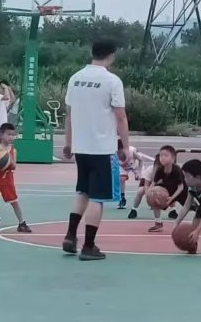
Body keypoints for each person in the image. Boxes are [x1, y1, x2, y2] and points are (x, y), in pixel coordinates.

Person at [62, 40, 130, 261]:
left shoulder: (75, 78)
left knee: (82, 191)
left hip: (81, 147)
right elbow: (121, 117)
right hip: (102, 148)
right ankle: (89, 246)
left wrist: (68, 143)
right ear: (111, 55)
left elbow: (69, 114)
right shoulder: (112, 81)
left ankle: (70, 236)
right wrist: (125, 147)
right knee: (97, 198)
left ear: (92, 53)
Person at [139, 145, 187, 231]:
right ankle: (158, 223)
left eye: (166, 155)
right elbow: (153, 183)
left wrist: (172, 198)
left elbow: (181, 187)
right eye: (161, 155)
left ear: (173, 158)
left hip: (182, 192)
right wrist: (149, 195)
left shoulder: (176, 170)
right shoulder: (160, 170)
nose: (162, 158)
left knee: (194, 208)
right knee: (154, 195)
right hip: (168, 191)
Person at [115, 139, 150, 210]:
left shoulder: (132, 151)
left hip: (135, 164)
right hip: (124, 166)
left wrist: (139, 172)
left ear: (124, 149)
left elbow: (141, 160)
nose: (119, 155)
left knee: (144, 181)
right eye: (118, 153)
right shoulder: (114, 153)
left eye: (120, 152)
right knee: (121, 179)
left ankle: (150, 199)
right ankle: (122, 199)